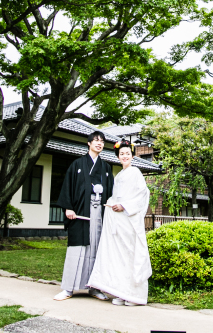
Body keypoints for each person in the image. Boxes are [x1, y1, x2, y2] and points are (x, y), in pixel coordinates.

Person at [87, 139, 152, 306]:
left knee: (131, 255)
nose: (125, 156)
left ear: (132, 156)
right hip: (119, 220)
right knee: (120, 257)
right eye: (121, 154)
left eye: (127, 154)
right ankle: (121, 292)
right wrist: (112, 203)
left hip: (130, 220)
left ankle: (135, 295)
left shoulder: (135, 172)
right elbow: (116, 196)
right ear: (118, 156)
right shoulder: (119, 175)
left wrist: (123, 205)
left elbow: (142, 195)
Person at [53, 130, 114, 301]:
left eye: (102, 141)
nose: (99, 143)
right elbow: (67, 187)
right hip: (80, 213)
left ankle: (94, 288)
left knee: (97, 250)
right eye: (95, 140)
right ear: (88, 143)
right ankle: (68, 289)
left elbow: (111, 193)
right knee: (77, 249)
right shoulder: (77, 164)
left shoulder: (106, 168)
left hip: (100, 214)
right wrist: (68, 208)